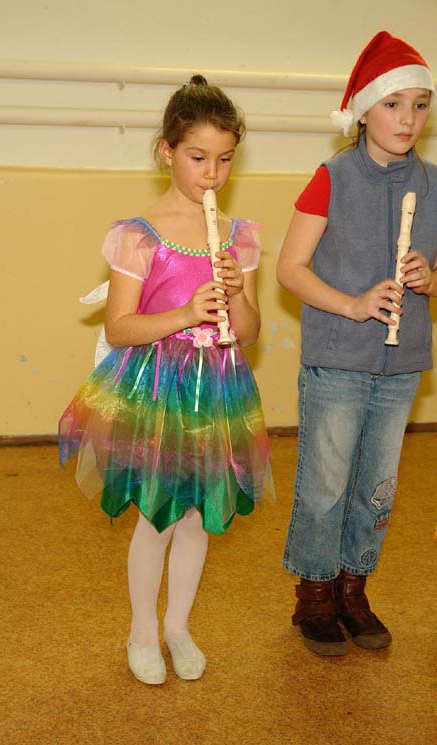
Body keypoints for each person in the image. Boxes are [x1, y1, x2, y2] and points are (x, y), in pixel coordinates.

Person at [59, 76, 270, 683]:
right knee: (157, 516)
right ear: (167, 152)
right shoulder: (138, 234)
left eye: (225, 159)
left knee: (199, 516)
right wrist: (184, 313)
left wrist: (235, 292)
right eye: (198, 157)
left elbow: (249, 332)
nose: (212, 173)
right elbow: (120, 326)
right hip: (157, 389)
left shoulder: (239, 236)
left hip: (216, 389)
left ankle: (177, 626)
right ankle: (142, 632)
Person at [277, 30, 437, 657]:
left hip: (402, 363)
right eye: (393, 104)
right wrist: (353, 304)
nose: (408, 119)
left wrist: (430, 279)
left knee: (376, 486)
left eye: (420, 105)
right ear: (364, 111)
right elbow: (290, 269)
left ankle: (353, 588)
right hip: (338, 358)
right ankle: (315, 593)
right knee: (326, 483)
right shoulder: (332, 177)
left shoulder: (434, 183)